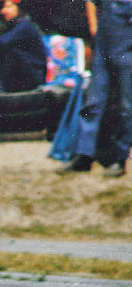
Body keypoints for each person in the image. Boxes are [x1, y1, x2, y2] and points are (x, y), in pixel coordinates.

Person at [57, 0, 131, 177]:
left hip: (127, 50)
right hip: (103, 47)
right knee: (93, 102)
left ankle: (119, 159)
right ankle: (84, 155)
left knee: (127, 107)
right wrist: (94, 28)